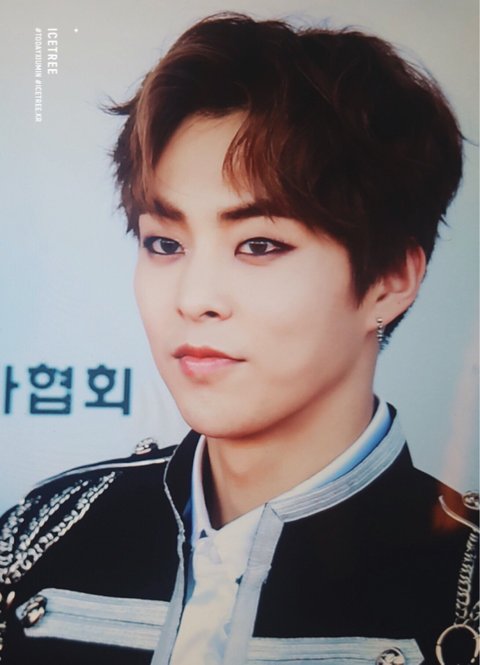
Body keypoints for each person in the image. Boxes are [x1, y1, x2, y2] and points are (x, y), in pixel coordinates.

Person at [0, 12, 478, 665]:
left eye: (258, 245)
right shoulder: (42, 535)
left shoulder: (464, 584)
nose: (193, 298)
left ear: (390, 279)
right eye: (164, 244)